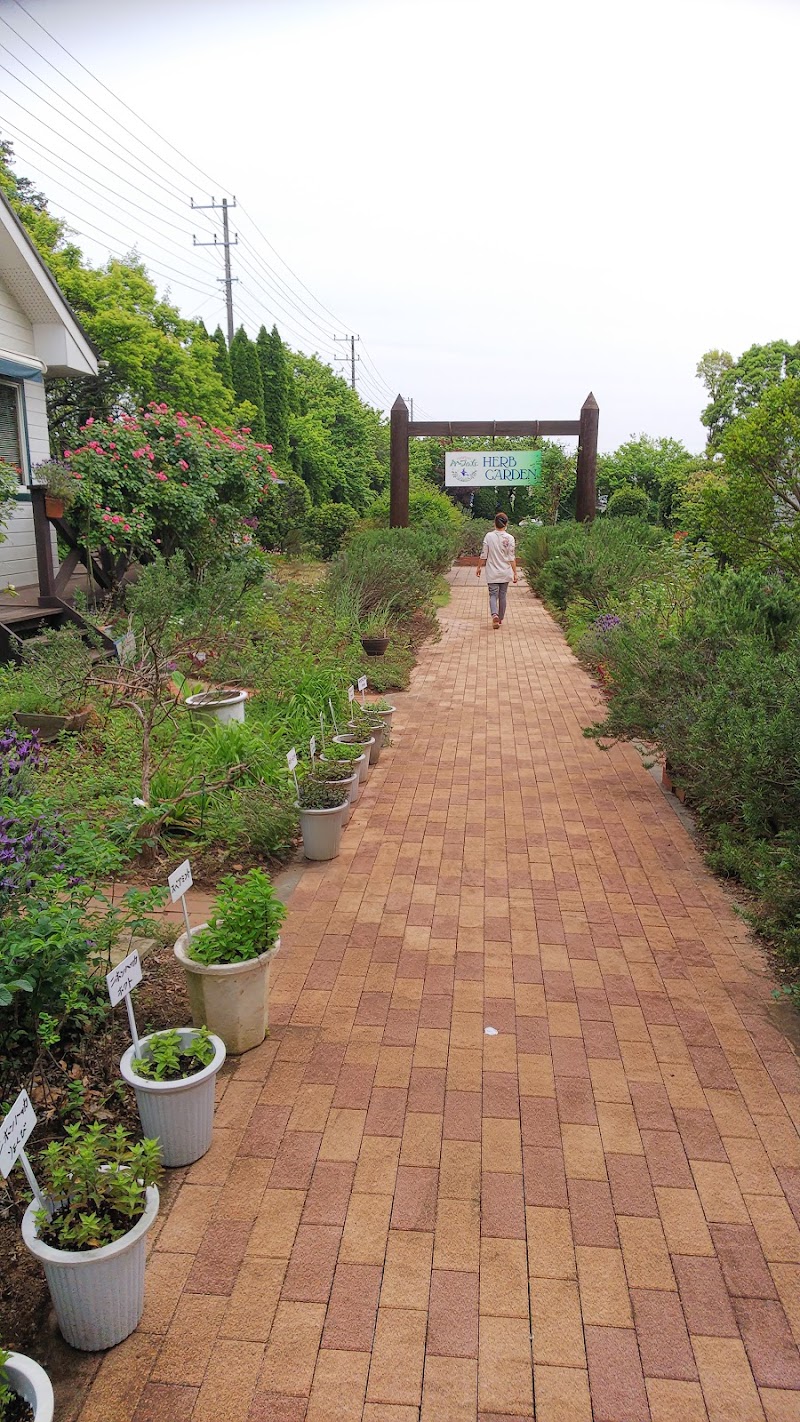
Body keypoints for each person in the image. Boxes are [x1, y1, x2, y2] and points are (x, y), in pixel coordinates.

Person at [476, 512, 517, 628]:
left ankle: (494, 614)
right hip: (505, 571)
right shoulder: (510, 538)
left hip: (492, 572)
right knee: (503, 595)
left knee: (493, 595)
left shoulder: (489, 536)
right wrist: (515, 573)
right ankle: (500, 618)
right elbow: (511, 557)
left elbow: (484, 554)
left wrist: (479, 567)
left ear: (494, 523)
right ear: (506, 524)